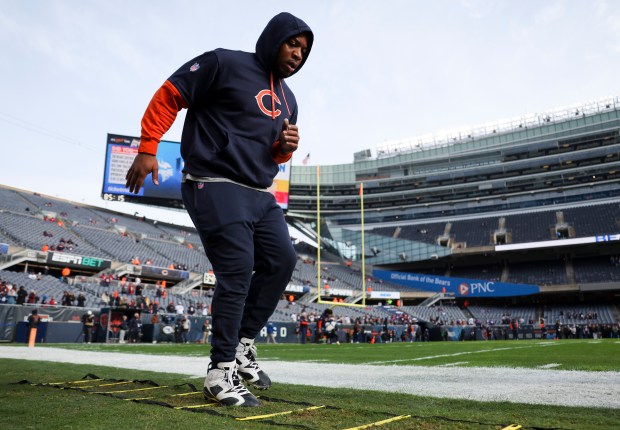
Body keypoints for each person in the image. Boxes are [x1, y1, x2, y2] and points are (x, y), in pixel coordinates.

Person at [124, 12, 313, 407]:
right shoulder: (224, 62)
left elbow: (270, 156)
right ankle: (219, 373)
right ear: (274, 38)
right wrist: (147, 148)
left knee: (282, 260)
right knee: (238, 270)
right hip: (215, 181)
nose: (298, 53)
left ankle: (243, 346)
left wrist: (285, 148)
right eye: (292, 43)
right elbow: (171, 93)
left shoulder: (290, 100)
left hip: (260, 191)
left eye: (304, 50)